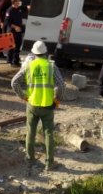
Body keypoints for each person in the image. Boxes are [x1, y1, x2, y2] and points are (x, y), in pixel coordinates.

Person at [11, 41, 65, 173]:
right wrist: (56, 100)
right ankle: (49, 163)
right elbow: (61, 86)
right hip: (47, 105)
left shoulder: (28, 65)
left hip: (32, 104)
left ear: (34, 53)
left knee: (30, 132)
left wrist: (23, 96)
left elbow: (14, 82)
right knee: (48, 134)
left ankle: (30, 161)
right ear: (46, 53)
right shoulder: (51, 66)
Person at [4, 0, 24, 66]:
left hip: (19, 31)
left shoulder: (19, 9)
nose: (19, 2)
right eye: (18, 1)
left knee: (18, 46)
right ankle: (9, 61)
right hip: (12, 31)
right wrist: (15, 27)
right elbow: (7, 22)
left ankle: (16, 61)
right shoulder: (9, 10)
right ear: (14, 2)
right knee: (11, 47)